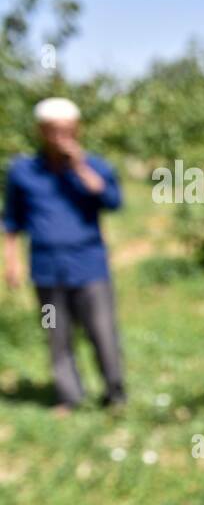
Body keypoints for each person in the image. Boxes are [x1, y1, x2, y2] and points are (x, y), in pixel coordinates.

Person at [3, 97, 127, 410]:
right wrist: (11, 261)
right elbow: (12, 220)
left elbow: (112, 201)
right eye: (54, 131)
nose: (61, 138)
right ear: (41, 131)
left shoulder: (94, 166)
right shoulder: (23, 171)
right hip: (46, 269)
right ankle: (69, 396)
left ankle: (115, 395)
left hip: (89, 266)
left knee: (102, 332)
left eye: (67, 131)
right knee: (56, 334)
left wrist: (79, 167)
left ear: (77, 130)